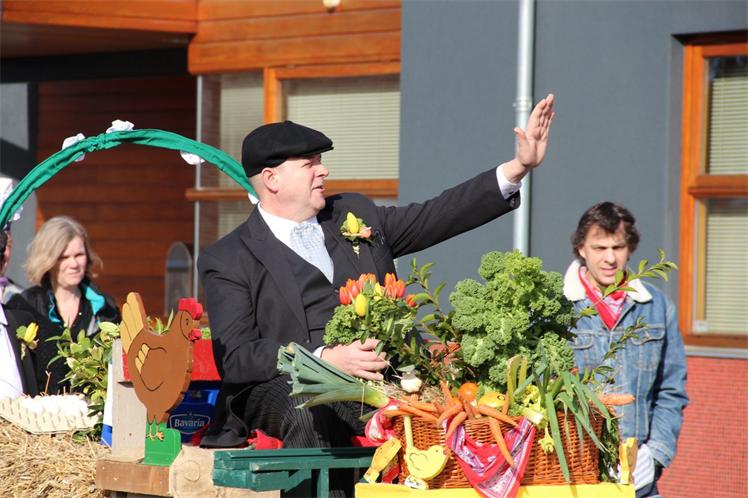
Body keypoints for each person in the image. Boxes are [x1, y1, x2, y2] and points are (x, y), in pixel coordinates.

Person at [199, 94, 555, 464]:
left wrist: (517, 167)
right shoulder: (228, 257)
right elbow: (238, 357)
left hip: (383, 379)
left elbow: (436, 215)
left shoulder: (353, 213)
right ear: (272, 179)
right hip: (288, 386)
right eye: (309, 164)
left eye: (320, 162)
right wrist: (324, 358)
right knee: (308, 409)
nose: (323, 171)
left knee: (459, 405)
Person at [563, 202, 688, 498]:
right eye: (599, 248)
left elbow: (671, 391)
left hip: (638, 475)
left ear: (629, 248)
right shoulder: (558, 308)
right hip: (574, 473)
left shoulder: (656, 306)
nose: (610, 258)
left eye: (617, 247)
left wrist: (654, 455)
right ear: (581, 248)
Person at [7, 216, 120, 394]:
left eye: (79, 255)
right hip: (38, 410)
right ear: (48, 260)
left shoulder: (106, 309)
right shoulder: (22, 307)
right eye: (64, 257)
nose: (73, 264)